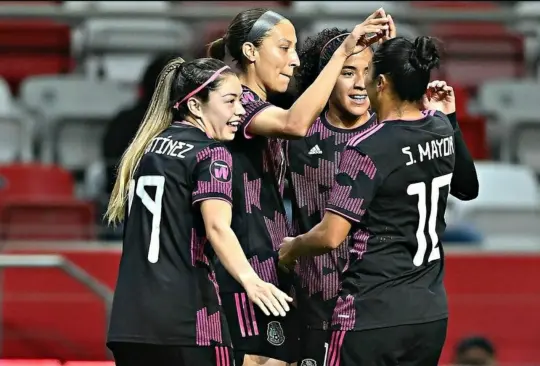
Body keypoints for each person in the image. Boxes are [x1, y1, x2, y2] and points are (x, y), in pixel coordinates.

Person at [207, 7, 391, 366]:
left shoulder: (262, 107)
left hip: (271, 271)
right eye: (284, 48)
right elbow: (296, 123)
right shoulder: (236, 103)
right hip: (242, 268)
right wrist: (342, 51)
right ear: (250, 52)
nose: (293, 60)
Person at [279, 36, 479, 365]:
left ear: (382, 82)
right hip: (428, 313)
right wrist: (451, 119)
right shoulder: (440, 126)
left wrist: (290, 249)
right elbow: (468, 187)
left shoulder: (369, 146)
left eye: (368, 72)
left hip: (370, 310)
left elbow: (330, 235)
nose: (362, 83)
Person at [104, 57, 292, 366]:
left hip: (130, 322)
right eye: (230, 101)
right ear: (194, 106)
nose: (241, 111)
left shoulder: (148, 148)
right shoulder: (211, 153)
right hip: (188, 319)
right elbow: (218, 227)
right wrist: (251, 279)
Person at [286, 23, 396, 366]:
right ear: (326, 77)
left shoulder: (390, 134)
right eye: (348, 72)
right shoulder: (295, 135)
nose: (360, 83)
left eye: (368, 71)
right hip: (312, 303)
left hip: (375, 304)